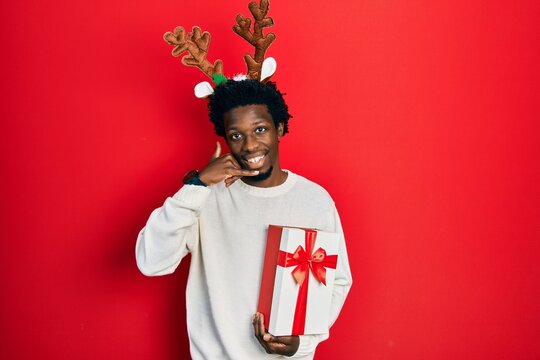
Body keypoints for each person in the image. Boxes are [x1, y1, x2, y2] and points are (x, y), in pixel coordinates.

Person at [135, 79, 352, 359]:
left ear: (280, 129)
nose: (250, 145)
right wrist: (197, 186)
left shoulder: (314, 199)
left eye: (260, 130)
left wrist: (303, 343)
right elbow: (151, 262)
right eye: (236, 135)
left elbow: (337, 281)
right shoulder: (205, 196)